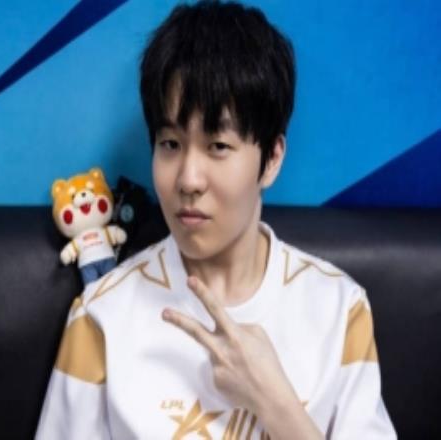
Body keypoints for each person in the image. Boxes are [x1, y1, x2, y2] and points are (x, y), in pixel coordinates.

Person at [35, 1, 396, 438]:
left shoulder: (338, 309)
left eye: (218, 146)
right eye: (170, 144)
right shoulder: (102, 316)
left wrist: (276, 404)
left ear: (272, 158)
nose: (188, 179)